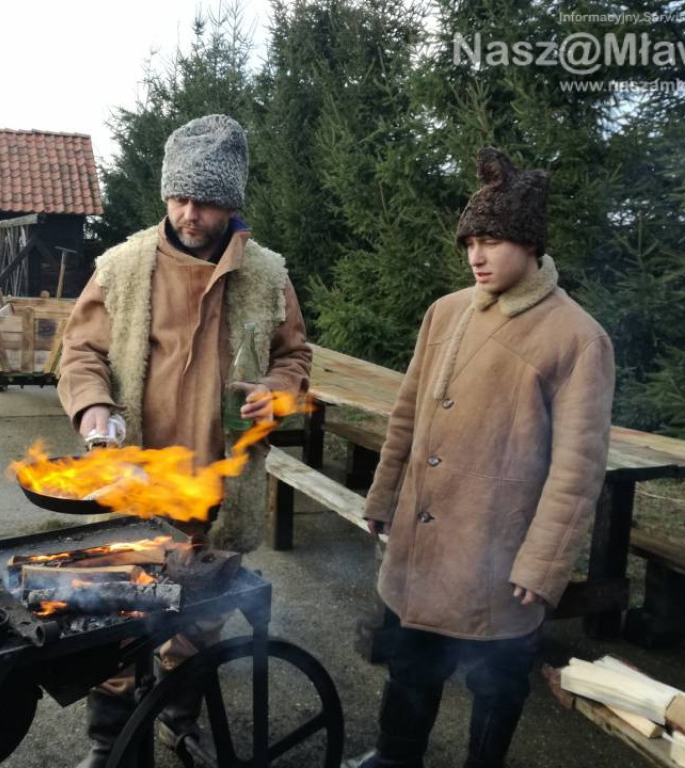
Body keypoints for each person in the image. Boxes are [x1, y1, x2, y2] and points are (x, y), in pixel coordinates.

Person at [59, 114, 313, 768]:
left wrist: (278, 394)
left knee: (198, 623)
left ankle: (179, 716)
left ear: (232, 202)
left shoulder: (266, 274)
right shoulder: (122, 267)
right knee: (115, 619)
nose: (188, 212)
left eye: (202, 200)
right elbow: (80, 353)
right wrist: (93, 411)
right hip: (135, 487)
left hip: (216, 492)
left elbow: (294, 358)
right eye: (178, 197)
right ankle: (109, 742)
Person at [354, 148, 615, 768]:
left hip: (498, 553)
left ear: (529, 244)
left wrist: (543, 562)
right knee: (410, 662)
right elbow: (407, 415)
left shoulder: (579, 338)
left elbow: (578, 470)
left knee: (495, 681)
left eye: (493, 239)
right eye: (470, 239)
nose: (476, 254)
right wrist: (384, 495)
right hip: (421, 543)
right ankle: (395, 760)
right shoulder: (444, 312)